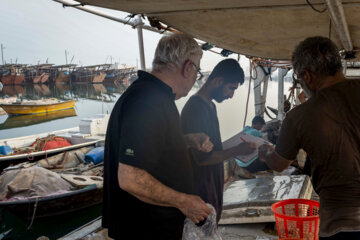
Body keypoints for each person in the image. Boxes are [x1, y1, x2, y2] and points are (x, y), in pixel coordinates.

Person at [102, 33, 213, 240]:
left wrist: (187, 140)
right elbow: (130, 178)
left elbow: (152, 149)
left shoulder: (153, 95)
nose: (195, 78)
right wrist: (184, 202)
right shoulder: (148, 101)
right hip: (144, 230)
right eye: (197, 71)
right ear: (188, 67)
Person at [259, 36, 360, 240]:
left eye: (298, 78)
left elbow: (279, 164)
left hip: (341, 224)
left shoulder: (299, 116)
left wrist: (265, 153)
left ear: (307, 76)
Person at [181, 59, 256, 223]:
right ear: (218, 81)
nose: (231, 95)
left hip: (212, 186)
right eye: (231, 88)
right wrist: (238, 150)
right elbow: (202, 159)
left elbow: (212, 148)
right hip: (199, 191)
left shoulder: (210, 106)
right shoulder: (195, 109)